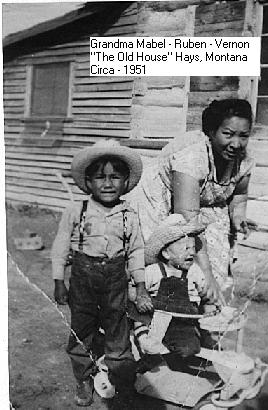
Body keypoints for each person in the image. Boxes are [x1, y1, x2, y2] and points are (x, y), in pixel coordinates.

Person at [51, 140, 152, 407]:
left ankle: (122, 381)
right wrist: (58, 280)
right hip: (83, 277)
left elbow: (136, 251)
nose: (107, 183)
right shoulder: (77, 210)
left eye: (115, 177)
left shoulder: (128, 214)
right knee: (81, 329)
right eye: (100, 177)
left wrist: (140, 286)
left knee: (117, 330)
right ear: (88, 181)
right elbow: (61, 245)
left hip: (116, 279)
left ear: (125, 181)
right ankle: (83, 378)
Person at [126, 99, 255, 302]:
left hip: (204, 205)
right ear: (211, 132)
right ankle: (150, 324)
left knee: (216, 258)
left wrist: (238, 215)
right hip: (161, 199)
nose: (236, 144)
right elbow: (188, 225)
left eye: (244, 136)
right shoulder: (192, 157)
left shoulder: (243, 160)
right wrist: (207, 276)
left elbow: (239, 193)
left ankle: (199, 316)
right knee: (164, 265)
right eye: (228, 134)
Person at [132, 214, 216, 365]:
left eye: (193, 248)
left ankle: (176, 354)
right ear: (166, 253)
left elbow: (205, 294)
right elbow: (135, 290)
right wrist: (140, 299)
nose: (191, 253)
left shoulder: (194, 272)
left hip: (182, 321)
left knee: (190, 349)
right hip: (156, 318)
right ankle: (143, 339)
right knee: (142, 324)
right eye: (185, 248)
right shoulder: (153, 271)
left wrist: (210, 307)